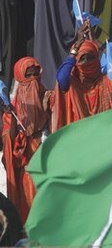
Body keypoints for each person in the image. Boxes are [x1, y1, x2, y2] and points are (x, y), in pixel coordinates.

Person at [2, 56, 48, 223]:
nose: (33, 80)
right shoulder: (13, 108)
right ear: (20, 78)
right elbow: (9, 142)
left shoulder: (47, 96)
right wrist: (12, 116)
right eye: (28, 76)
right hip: (26, 166)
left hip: (46, 161)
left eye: (36, 75)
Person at [52, 28, 112, 132]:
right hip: (81, 136)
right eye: (81, 59)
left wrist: (96, 41)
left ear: (96, 58)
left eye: (90, 57)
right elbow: (61, 78)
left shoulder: (106, 81)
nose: (86, 62)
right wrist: (77, 46)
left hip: (105, 133)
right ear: (75, 63)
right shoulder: (72, 84)